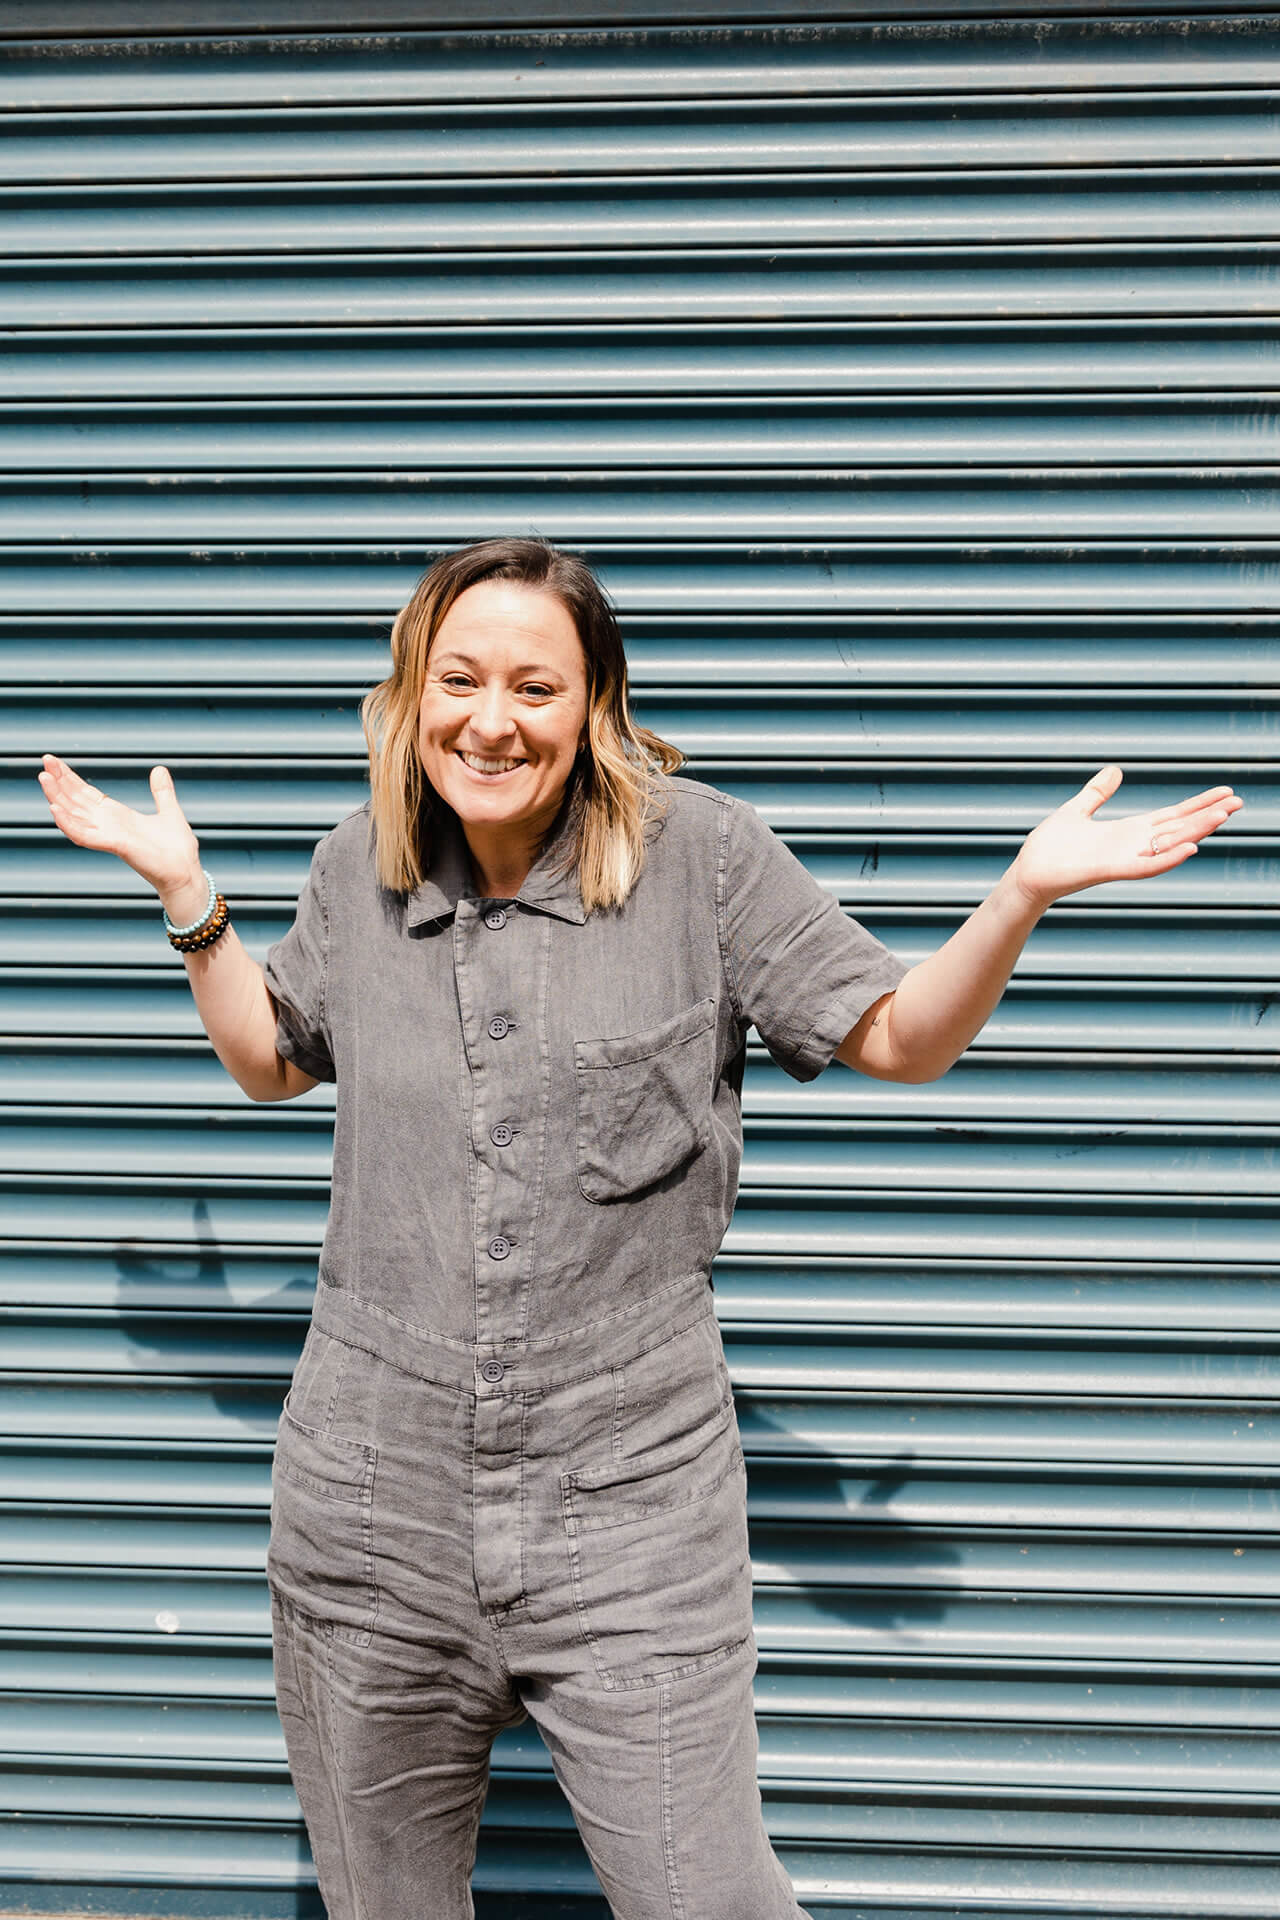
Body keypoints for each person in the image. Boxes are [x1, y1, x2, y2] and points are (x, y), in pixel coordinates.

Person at [38, 536, 1242, 1920]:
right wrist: (188, 899)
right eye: (462, 679)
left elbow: (899, 1038)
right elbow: (274, 1059)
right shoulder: (352, 871)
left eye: (537, 688)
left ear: (595, 704)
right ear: (411, 694)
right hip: (369, 1506)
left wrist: (1020, 892)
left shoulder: (702, 860)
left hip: (633, 1512)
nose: (493, 720)